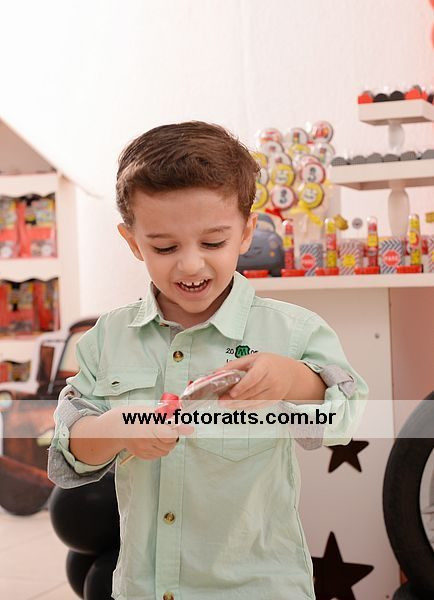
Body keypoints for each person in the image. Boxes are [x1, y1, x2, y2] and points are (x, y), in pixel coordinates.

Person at [48, 121, 368, 600]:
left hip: (259, 588)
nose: (191, 264)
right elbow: (69, 452)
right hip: (144, 588)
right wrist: (118, 427)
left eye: (213, 243)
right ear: (132, 241)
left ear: (247, 232)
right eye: (165, 247)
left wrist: (292, 379)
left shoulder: (292, 330)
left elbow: (346, 416)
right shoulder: (107, 338)